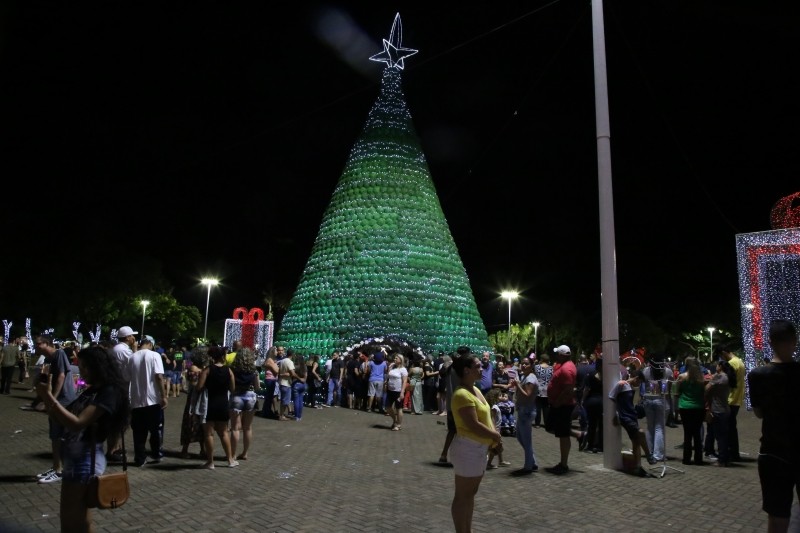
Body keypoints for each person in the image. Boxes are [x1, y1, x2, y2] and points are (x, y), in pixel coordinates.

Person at [35, 346, 129, 532]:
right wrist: (45, 397)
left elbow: (77, 423)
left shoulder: (109, 392)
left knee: (69, 522)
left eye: (85, 366)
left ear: (98, 367)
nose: (81, 370)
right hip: (75, 459)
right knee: (81, 522)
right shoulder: (91, 390)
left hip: (85, 460)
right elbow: (61, 418)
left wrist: (48, 396)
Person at [748, 319, 800, 533]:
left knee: (778, 515)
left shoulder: (758, 376)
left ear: (770, 342)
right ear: (795, 342)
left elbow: (759, 413)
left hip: (773, 451)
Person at [448, 352, 502, 533]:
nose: (482, 369)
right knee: (462, 495)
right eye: (478, 366)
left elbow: (487, 415)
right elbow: (473, 425)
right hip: (467, 449)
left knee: (470, 495)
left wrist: (494, 434)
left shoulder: (475, 389)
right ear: (466, 370)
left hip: (479, 449)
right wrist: (495, 436)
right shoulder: (462, 394)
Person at [34, 334, 78, 484]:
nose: (35, 346)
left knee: (58, 434)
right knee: (55, 434)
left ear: (47, 343)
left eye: (38, 343)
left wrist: (52, 399)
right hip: (58, 400)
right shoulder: (48, 359)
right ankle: (56, 467)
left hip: (64, 400)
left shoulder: (59, 354)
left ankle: (59, 470)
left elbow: (61, 376)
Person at [124, 335, 167, 467]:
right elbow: (159, 376)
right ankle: (156, 453)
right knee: (156, 430)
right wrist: (164, 396)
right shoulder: (155, 356)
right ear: (150, 343)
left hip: (136, 401)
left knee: (138, 432)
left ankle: (140, 458)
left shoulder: (132, 358)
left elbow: (127, 379)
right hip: (153, 400)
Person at [544, 345, 587, 475]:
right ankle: (578, 435)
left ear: (563, 355)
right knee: (553, 427)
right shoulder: (564, 365)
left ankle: (563, 464)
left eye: (558, 354)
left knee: (562, 434)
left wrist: (558, 401)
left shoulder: (567, 369)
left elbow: (568, 389)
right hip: (560, 405)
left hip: (563, 406)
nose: (556, 356)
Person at [195, 346, 237, 468]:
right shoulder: (228, 371)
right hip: (223, 402)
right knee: (224, 432)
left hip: (209, 403)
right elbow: (233, 388)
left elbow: (199, 387)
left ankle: (210, 462)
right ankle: (230, 460)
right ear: (223, 356)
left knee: (209, 434)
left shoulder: (207, 370)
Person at [609, 369, 654, 477]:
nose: (639, 384)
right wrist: (615, 414)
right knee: (641, 433)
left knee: (636, 441)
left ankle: (637, 467)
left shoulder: (630, 387)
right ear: (636, 378)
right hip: (625, 417)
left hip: (631, 415)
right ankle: (649, 456)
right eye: (639, 382)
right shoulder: (621, 384)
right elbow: (611, 397)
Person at [229, 347, 260, 460]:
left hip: (237, 396)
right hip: (250, 396)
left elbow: (230, 386)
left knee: (235, 428)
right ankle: (245, 453)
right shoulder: (253, 370)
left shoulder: (233, 369)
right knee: (247, 427)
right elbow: (257, 387)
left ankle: (232, 454)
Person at [511, 356, 539, 475]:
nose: (523, 365)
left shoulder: (530, 379)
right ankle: (532, 461)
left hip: (527, 411)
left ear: (531, 365)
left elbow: (528, 394)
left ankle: (528, 466)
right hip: (523, 410)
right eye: (522, 363)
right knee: (520, 436)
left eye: (526, 364)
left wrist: (518, 385)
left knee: (526, 439)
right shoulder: (525, 376)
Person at [718, 343, 745, 461]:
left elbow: (726, 381)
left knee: (727, 429)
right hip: (737, 398)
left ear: (724, 352)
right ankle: (734, 453)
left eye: (721, 356)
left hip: (730, 399)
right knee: (732, 428)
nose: (721, 359)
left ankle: (730, 453)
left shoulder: (732, 364)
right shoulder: (739, 361)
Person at [676, 356, 706, 466]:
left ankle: (686, 459)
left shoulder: (682, 377)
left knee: (687, 433)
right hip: (698, 407)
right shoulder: (701, 378)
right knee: (697, 433)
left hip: (685, 406)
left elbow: (677, 391)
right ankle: (698, 459)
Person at [180, 345, 208, 459]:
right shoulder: (194, 369)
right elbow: (195, 385)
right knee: (190, 423)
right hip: (194, 400)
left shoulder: (202, 368)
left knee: (201, 425)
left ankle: (203, 449)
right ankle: (184, 450)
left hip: (201, 400)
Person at [705, 359, 732, 467]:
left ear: (720, 366)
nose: (715, 366)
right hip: (725, 409)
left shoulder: (720, 377)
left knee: (720, 436)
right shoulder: (726, 377)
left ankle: (722, 460)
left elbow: (707, 388)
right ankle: (725, 458)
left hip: (718, 410)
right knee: (724, 435)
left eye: (717, 365)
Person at [581, 358, 604, 453]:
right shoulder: (607, 375)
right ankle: (601, 446)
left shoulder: (590, 374)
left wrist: (582, 399)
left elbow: (587, 389)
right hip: (602, 402)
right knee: (602, 425)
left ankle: (590, 445)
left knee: (592, 424)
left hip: (591, 401)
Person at [485, 389, 510, 469]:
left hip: (497, 429)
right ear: (494, 397)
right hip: (496, 429)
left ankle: (501, 461)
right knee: (495, 446)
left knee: (497, 446)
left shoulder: (495, 406)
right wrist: (495, 431)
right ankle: (489, 463)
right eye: (499, 396)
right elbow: (492, 419)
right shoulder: (494, 407)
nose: (501, 397)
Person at [386, 352, 408, 430]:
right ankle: (395, 420)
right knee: (388, 407)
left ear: (400, 360)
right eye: (394, 358)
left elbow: (405, 381)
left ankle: (398, 424)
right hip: (390, 390)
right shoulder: (392, 366)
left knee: (399, 408)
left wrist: (402, 392)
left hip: (398, 391)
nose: (394, 359)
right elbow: (388, 375)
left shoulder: (403, 369)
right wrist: (389, 368)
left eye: (396, 358)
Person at [533, 353, 552, 427]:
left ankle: (537, 423)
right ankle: (546, 423)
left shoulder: (537, 367)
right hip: (547, 390)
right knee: (546, 407)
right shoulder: (551, 368)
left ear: (541, 359)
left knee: (537, 407)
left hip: (538, 389)